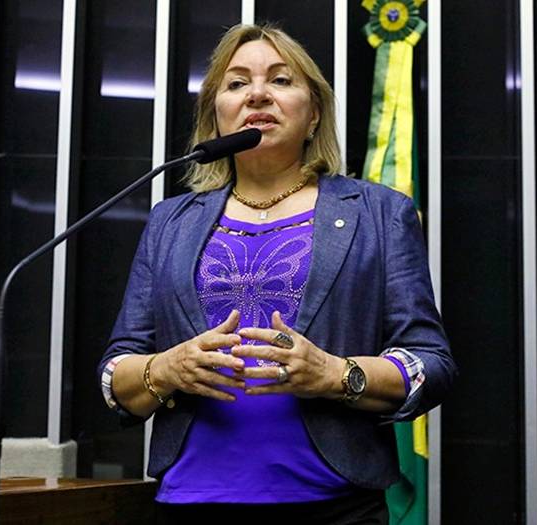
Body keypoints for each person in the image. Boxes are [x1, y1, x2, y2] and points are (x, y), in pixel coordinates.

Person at [98, 23, 456, 524]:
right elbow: (115, 375)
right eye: (237, 83)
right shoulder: (170, 222)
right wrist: (166, 369)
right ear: (216, 115)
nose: (258, 94)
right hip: (190, 503)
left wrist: (336, 375)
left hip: (336, 508)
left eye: (281, 80)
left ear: (314, 115)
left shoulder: (378, 213)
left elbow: (430, 365)